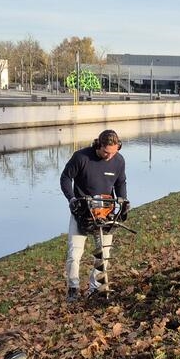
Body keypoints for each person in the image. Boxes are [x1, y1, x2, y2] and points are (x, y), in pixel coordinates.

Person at [59, 128, 128, 302]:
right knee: (74, 254)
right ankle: (73, 287)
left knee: (103, 254)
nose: (109, 156)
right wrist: (72, 199)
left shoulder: (119, 161)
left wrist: (124, 201)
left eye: (113, 153)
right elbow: (65, 178)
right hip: (82, 210)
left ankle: (95, 288)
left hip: (105, 211)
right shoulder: (81, 157)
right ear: (98, 145)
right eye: (106, 152)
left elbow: (120, 183)